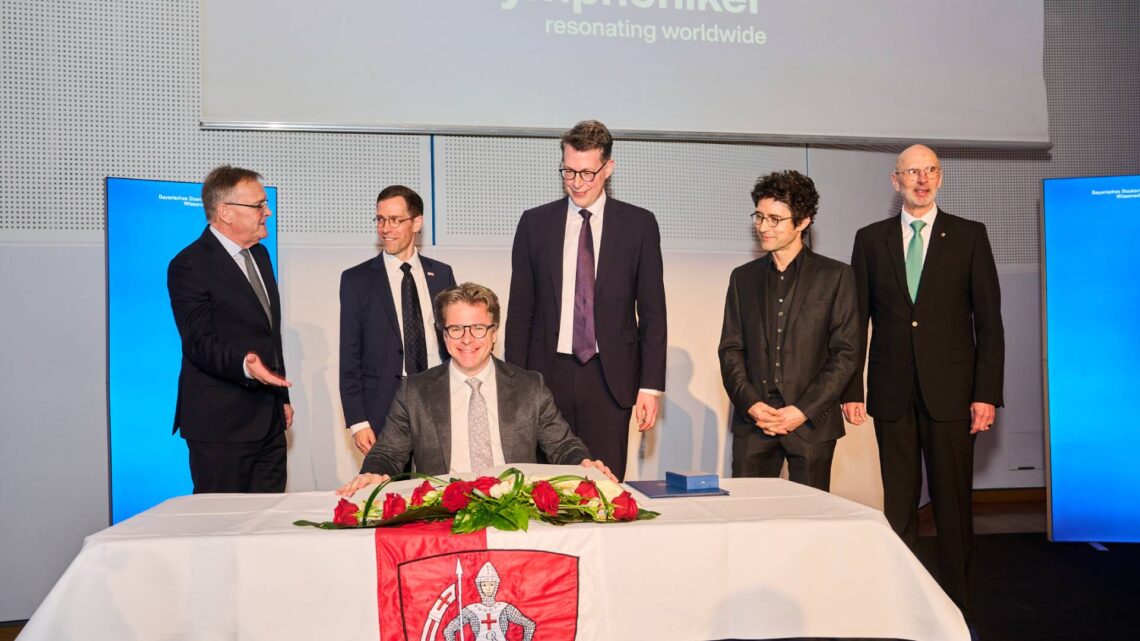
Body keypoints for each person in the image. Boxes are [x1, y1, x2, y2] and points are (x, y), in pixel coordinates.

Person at [840, 145, 1004, 618]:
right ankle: (902, 606)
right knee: (899, 508)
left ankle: (957, 609)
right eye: (912, 172)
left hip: (953, 396)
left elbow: (989, 323)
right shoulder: (870, 240)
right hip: (891, 394)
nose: (922, 179)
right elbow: (856, 322)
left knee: (952, 509)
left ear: (941, 178)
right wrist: (853, 388)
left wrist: (986, 393)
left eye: (930, 170)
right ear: (896, 182)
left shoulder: (970, 236)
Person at [337, 283, 615, 495]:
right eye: (456, 328)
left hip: (516, 509)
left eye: (478, 328)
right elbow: (388, 453)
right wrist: (373, 472)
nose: (467, 338)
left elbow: (563, 446)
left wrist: (584, 465)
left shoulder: (530, 386)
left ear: (494, 333)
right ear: (444, 335)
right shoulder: (415, 392)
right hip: (443, 513)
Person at [505, 119, 667, 481]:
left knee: (605, 491)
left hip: (610, 379)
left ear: (608, 168)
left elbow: (653, 313)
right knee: (545, 488)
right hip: (547, 376)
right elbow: (519, 314)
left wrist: (650, 386)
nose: (577, 183)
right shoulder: (534, 224)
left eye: (587, 173)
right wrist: (513, 386)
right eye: (568, 172)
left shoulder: (639, 225)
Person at [718, 170, 859, 491]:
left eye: (775, 219)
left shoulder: (836, 276)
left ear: (803, 221)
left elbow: (846, 352)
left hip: (811, 425)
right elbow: (730, 349)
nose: (763, 227)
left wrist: (802, 410)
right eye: (759, 216)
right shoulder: (743, 278)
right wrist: (751, 405)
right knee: (749, 520)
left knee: (810, 524)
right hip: (755, 424)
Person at [168, 165, 293, 493]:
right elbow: (198, 343)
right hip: (220, 426)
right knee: (222, 530)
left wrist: (282, 397)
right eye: (258, 205)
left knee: (268, 527)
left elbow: (269, 334)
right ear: (225, 212)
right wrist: (245, 365)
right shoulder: (189, 265)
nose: (267, 211)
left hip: (269, 420)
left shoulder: (261, 256)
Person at [339, 185, 456, 455]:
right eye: (380, 219)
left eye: (395, 220)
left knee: (439, 487)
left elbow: (454, 339)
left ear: (417, 222)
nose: (385, 228)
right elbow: (350, 354)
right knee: (390, 492)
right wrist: (357, 421)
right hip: (383, 406)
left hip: (437, 398)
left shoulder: (442, 274)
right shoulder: (357, 280)